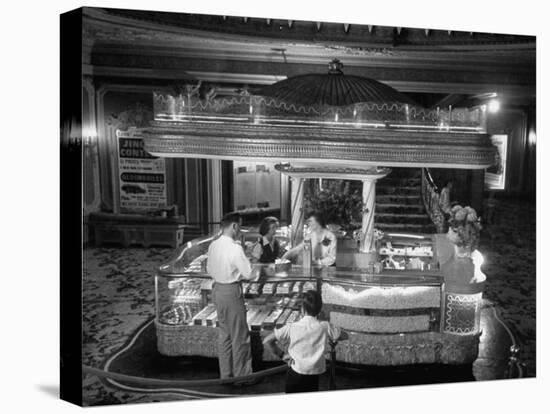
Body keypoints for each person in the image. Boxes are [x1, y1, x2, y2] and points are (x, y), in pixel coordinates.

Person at [207, 212, 260, 382]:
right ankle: (242, 377)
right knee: (240, 336)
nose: (240, 230)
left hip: (217, 291)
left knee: (225, 335)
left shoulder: (213, 245)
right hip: (231, 292)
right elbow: (249, 273)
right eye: (240, 226)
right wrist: (260, 270)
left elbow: (209, 269)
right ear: (234, 226)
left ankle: (226, 375)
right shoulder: (235, 248)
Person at [262, 290, 344, 393]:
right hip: (314, 375)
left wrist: (282, 355)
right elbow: (344, 335)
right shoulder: (325, 326)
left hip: (294, 373)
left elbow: (267, 341)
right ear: (320, 310)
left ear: (302, 309)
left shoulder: (291, 327)